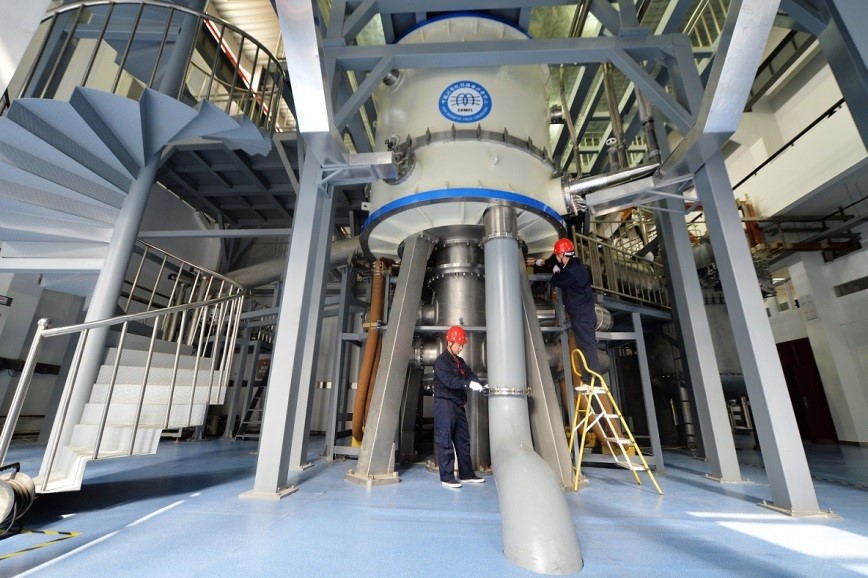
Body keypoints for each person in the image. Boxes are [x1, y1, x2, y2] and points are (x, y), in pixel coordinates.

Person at [538, 237, 601, 383]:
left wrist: (555, 273)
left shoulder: (571, 272)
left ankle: (595, 381)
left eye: (556, 255)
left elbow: (557, 281)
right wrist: (545, 263)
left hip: (582, 316)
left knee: (588, 347)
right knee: (584, 347)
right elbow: (561, 269)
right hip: (584, 313)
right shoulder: (576, 264)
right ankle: (587, 379)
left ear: (561, 255)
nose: (556, 257)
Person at [433, 325, 486, 489]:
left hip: (458, 404)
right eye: (458, 344)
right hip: (445, 404)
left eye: (462, 344)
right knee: (445, 440)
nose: (461, 347)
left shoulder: (460, 362)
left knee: (463, 440)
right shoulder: (441, 362)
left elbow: (470, 375)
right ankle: (447, 477)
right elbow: (450, 381)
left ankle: (466, 474)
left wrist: (480, 384)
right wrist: (468, 383)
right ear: (449, 342)